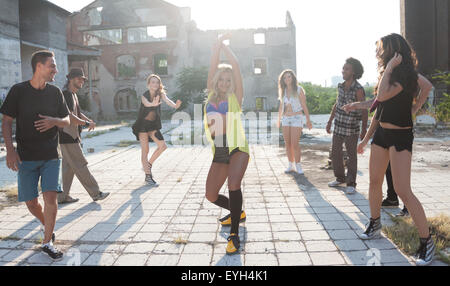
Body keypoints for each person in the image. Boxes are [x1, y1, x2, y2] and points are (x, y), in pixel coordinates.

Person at [352, 33, 435, 266]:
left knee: (402, 190)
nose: (379, 52)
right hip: (382, 134)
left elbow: (382, 95)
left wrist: (415, 107)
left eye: (382, 48)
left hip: (400, 135)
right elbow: (378, 107)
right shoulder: (388, 74)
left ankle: (426, 243)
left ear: (393, 51)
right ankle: (375, 223)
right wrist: (366, 138)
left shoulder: (404, 75)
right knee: (374, 181)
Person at [0, 50, 70, 261]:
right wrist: (10, 151)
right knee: (31, 202)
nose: (56, 70)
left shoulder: (55, 92)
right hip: (26, 156)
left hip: (51, 154)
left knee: (50, 197)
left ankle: (47, 242)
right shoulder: (18, 91)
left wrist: (54, 121)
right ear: (39, 66)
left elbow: (67, 120)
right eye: (52, 66)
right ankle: (47, 225)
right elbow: (7, 121)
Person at [204, 34, 249, 255]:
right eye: (221, 79)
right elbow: (212, 68)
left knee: (233, 185)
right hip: (220, 150)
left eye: (228, 80)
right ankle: (237, 212)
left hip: (238, 147)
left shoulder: (235, 98)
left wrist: (225, 47)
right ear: (215, 81)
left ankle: (234, 234)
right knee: (211, 195)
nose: (224, 83)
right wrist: (215, 49)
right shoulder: (211, 96)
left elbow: (236, 67)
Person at [58, 68, 110, 204]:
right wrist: (85, 123)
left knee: (68, 168)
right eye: (79, 79)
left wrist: (88, 120)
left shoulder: (73, 95)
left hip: (70, 136)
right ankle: (96, 193)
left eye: (83, 79)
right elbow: (69, 116)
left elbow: (77, 113)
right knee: (81, 165)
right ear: (71, 79)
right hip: (67, 136)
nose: (82, 81)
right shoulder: (66, 95)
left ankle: (62, 196)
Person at [326, 58, 368, 194]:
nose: (343, 71)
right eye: (343, 68)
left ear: (354, 72)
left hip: (352, 127)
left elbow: (364, 109)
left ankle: (351, 183)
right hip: (339, 125)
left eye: (347, 69)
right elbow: (337, 105)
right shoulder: (340, 86)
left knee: (351, 156)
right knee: (335, 153)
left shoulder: (358, 89)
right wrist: (329, 121)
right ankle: (340, 178)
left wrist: (364, 129)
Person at [132, 74, 181, 185]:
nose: (155, 84)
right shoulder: (144, 95)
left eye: (157, 82)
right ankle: (148, 176)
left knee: (162, 146)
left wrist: (175, 106)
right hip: (142, 126)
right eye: (153, 82)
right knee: (145, 150)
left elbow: (168, 101)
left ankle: (148, 165)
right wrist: (152, 104)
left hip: (153, 126)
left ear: (159, 84)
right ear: (149, 84)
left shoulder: (160, 94)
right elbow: (146, 103)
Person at [277, 70, 312, 174]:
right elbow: (280, 107)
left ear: (293, 78)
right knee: (287, 144)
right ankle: (290, 165)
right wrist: (278, 120)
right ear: (282, 80)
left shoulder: (299, 89)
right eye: (285, 78)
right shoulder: (282, 91)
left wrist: (308, 120)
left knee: (295, 144)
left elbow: (304, 106)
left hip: (297, 118)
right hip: (286, 119)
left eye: (289, 77)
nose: (287, 79)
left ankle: (298, 166)